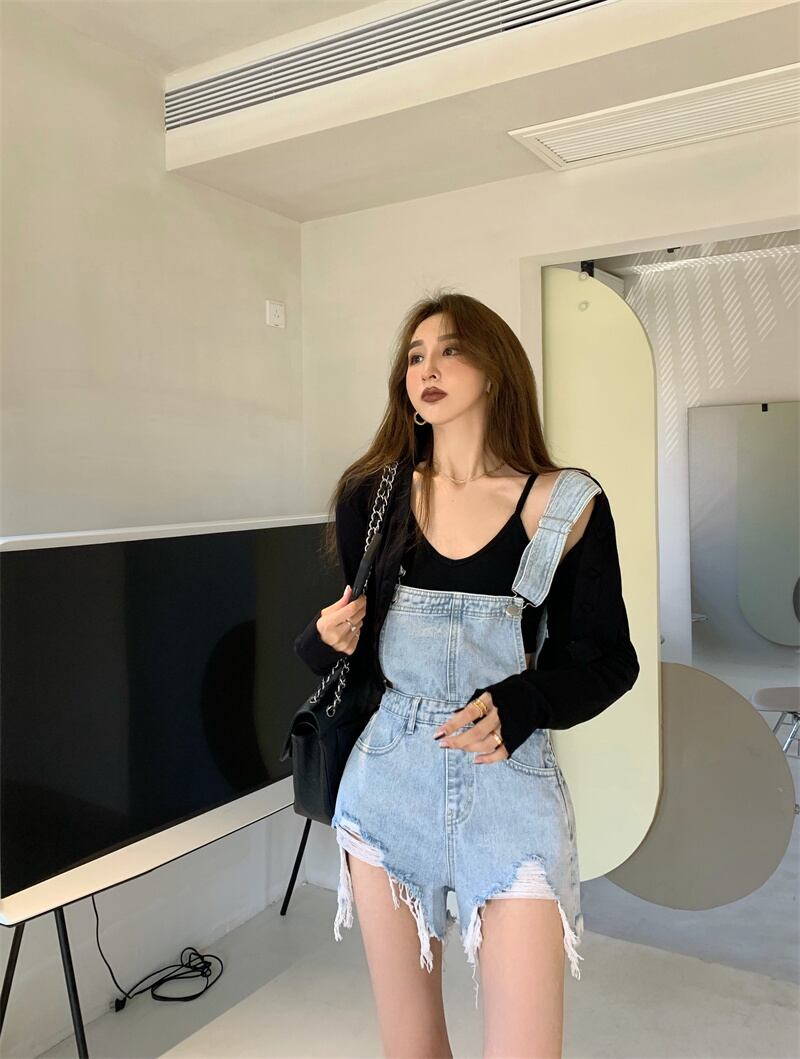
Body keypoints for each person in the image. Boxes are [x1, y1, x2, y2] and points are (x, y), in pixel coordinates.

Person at [294, 290, 640, 1058]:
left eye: (450, 349)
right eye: (415, 355)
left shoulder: (564, 504)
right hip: (388, 785)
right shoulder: (372, 497)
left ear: (494, 367)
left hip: (509, 789)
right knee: (411, 1047)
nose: (428, 367)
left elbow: (609, 660)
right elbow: (349, 654)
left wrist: (526, 699)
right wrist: (321, 640)